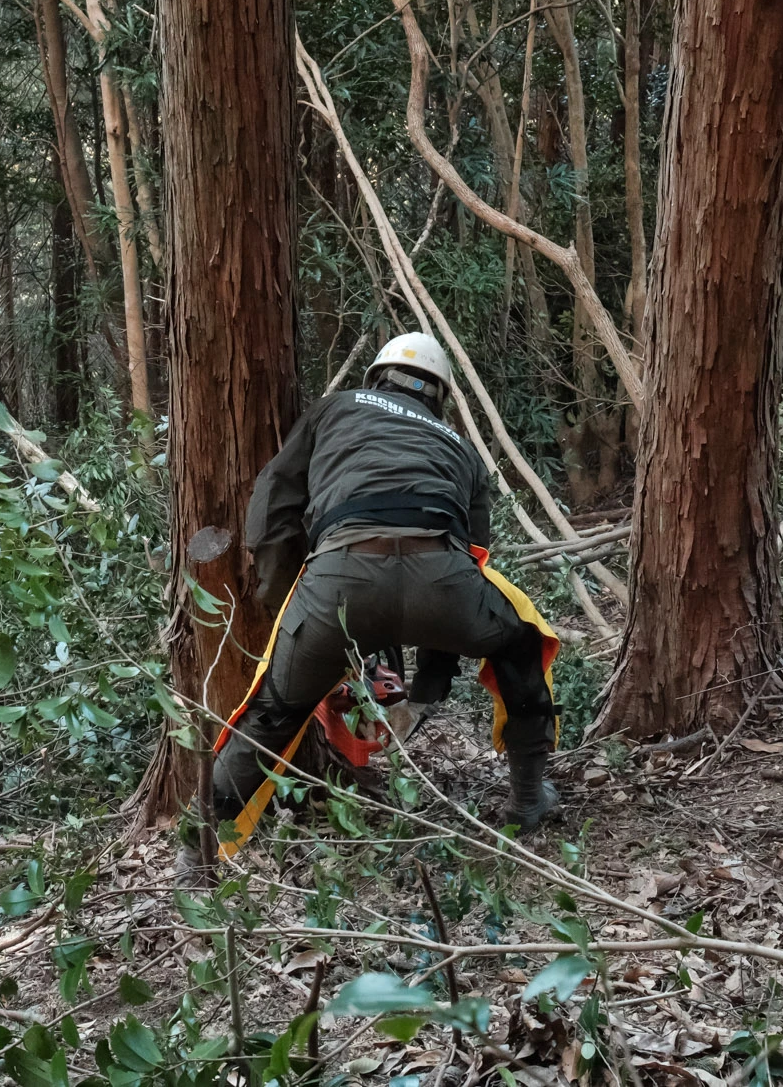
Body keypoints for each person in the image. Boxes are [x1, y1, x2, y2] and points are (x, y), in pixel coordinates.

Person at [210, 333, 562, 848]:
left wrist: (287, 599)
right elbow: (472, 557)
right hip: (442, 578)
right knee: (524, 643)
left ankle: (194, 855)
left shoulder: (336, 407)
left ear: (376, 376)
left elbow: (272, 503)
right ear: (439, 394)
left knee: (273, 714)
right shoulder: (459, 446)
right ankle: (528, 797)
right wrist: (433, 680)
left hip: (338, 580)